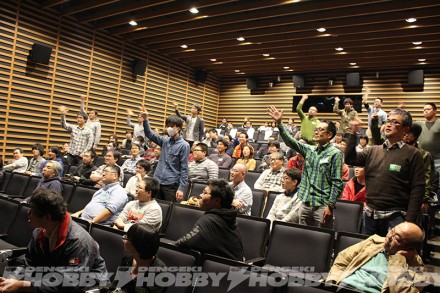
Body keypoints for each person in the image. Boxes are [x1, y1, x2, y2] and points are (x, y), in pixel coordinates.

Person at [0, 189, 108, 292]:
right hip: (51, 277)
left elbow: (68, 284)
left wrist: (21, 285)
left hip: (85, 286)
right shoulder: (39, 233)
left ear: (47, 217)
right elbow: (28, 263)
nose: (28, 213)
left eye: (32, 211)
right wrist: (11, 280)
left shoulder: (78, 242)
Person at [345, 109, 425, 236]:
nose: (388, 124)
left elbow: (418, 188)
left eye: (394, 122)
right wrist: (353, 133)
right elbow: (350, 159)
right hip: (370, 214)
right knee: (370, 254)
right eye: (387, 121)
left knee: (393, 255)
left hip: (396, 217)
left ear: (405, 129)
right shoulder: (373, 150)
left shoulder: (413, 154)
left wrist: (409, 221)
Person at [268, 105, 343, 228]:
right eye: (316, 129)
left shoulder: (335, 153)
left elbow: (337, 182)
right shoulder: (310, 149)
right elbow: (290, 141)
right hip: (305, 203)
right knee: (303, 237)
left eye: (320, 130)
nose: (316, 131)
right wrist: (280, 123)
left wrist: (330, 206)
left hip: (322, 205)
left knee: (321, 239)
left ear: (329, 135)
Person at [327, 222, 427, 293]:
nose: (389, 237)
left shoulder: (416, 266)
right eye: (392, 231)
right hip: (344, 287)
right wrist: (332, 281)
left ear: (409, 248)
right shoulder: (374, 241)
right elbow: (343, 259)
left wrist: (398, 261)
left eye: (397, 238)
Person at [175, 178, 244, 261]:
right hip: (234, 267)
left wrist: (171, 246)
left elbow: (187, 242)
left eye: (204, 193)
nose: (200, 195)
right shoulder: (229, 215)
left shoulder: (209, 220)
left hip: (221, 268)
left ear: (216, 200)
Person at [141, 107, 190, 202]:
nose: (169, 128)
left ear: (179, 128)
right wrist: (146, 119)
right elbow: (149, 134)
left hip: (171, 184)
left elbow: (184, 168)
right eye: (168, 126)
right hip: (157, 181)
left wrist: (181, 188)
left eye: (172, 126)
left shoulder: (184, 145)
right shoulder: (165, 141)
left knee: (168, 210)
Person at [111, 223, 166, 293]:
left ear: (137, 244)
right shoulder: (128, 258)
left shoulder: (160, 272)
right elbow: (115, 286)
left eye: (127, 237)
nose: (124, 240)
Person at [404, 124, 436, 210]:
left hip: (414, 193)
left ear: (415, 136)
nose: (406, 135)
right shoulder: (397, 149)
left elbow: (426, 176)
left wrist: (424, 199)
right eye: (405, 132)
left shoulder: (423, 154)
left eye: (409, 133)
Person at [415, 103, 440, 181]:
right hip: (422, 159)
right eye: (424, 110)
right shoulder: (419, 124)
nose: (425, 111)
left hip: (437, 159)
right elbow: (405, 123)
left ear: (435, 111)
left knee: (437, 183)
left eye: (428, 109)